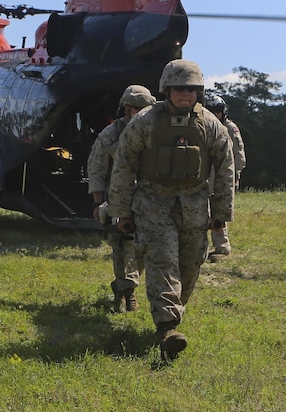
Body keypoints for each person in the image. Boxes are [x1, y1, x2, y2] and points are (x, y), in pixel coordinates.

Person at [107, 59, 235, 361]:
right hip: (154, 203)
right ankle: (167, 327)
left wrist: (221, 214)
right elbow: (124, 166)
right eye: (179, 89)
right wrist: (121, 211)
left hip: (194, 205)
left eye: (191, 89)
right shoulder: (145, 122)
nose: (185, 95)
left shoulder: (211, 125)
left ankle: (173, 312)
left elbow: (226, 169)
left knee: (191, 266)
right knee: (163, 261)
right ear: (167, 89)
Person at [87, 84, 156, 313]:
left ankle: (125, 286)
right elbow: (96, 168)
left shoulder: (156, 133)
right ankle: (128, 290)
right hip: (118, 199)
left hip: (148, 200)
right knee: (121, 246)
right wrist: (98, 203)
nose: (141, 112)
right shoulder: (110, 135)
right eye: (137, 108)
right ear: (127, 108)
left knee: (142, 248)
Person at [205, 96, 245, 260]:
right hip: (207, 177)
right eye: (212, 110)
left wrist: (233, 176)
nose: (215, 114)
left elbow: (239, 154)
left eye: (218, 111)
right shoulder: (203, 126)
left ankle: (222, 247)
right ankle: (201, 249)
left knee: (219, 213)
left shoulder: (229, 128)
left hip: (223, 177)